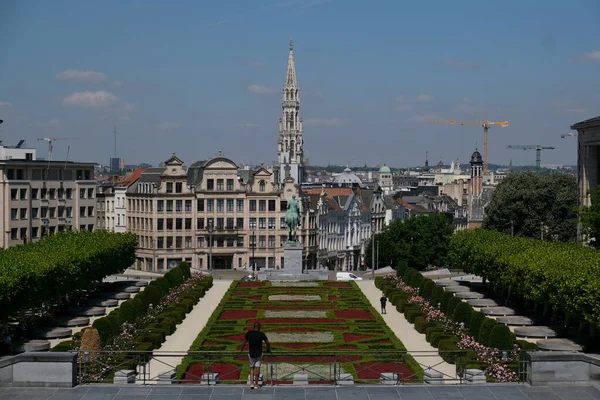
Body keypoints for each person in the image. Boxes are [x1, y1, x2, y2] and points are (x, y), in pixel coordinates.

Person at [240, 322, 271, 389]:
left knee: (251, 369)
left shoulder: (249, 333)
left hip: (251, 353)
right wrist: (268, 349)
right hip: (259, 354)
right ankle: (256, 384)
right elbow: (268, 343)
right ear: (259, 327)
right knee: (257, 368)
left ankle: (252, 384)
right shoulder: (261, 334)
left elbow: (244, 342)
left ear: (253, 326)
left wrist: (241, 349)